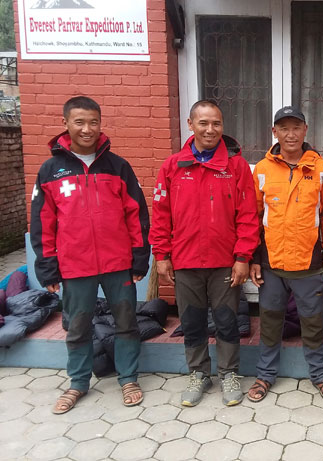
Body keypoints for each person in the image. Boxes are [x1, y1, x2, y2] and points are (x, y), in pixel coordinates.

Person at [30, 96, 150, 414]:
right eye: (79, 122)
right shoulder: (50, 171)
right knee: (78, 326)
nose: (87, 129)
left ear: (100, 123)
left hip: (118, 263)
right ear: (66, 124)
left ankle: (128, 378)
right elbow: (42, 223)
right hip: (74, 265)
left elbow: (137, 215)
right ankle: (78, 383)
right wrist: (47, 266)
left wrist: (140, 257)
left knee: (126, 323)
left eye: (93, 122)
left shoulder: (118, 167)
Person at [150, 99, 258, 407]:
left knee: (226, 320)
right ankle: (198, 373)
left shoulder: (236, 167)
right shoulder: (173, 166)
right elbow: (161, 214)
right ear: (190, 125)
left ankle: (229, 373)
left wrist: (242, 257)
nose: (210, 130)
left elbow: (248, 215)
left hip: (225, 262)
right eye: (203, 123)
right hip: (185, 261)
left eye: (216, 124)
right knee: (192, 320)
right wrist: (161, 254)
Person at [247, 106, 323, 403]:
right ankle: (265, 375)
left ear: (305, 130)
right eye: (284, 128)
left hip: (309, 264)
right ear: (274, 132)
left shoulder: (321, 169)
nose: (290, 134)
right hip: (271, 264)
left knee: (313, 323)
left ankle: (321, 375)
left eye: (296, 127)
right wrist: (253, 258)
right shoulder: (262, 170)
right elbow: (253, 217)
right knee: (270, 322)